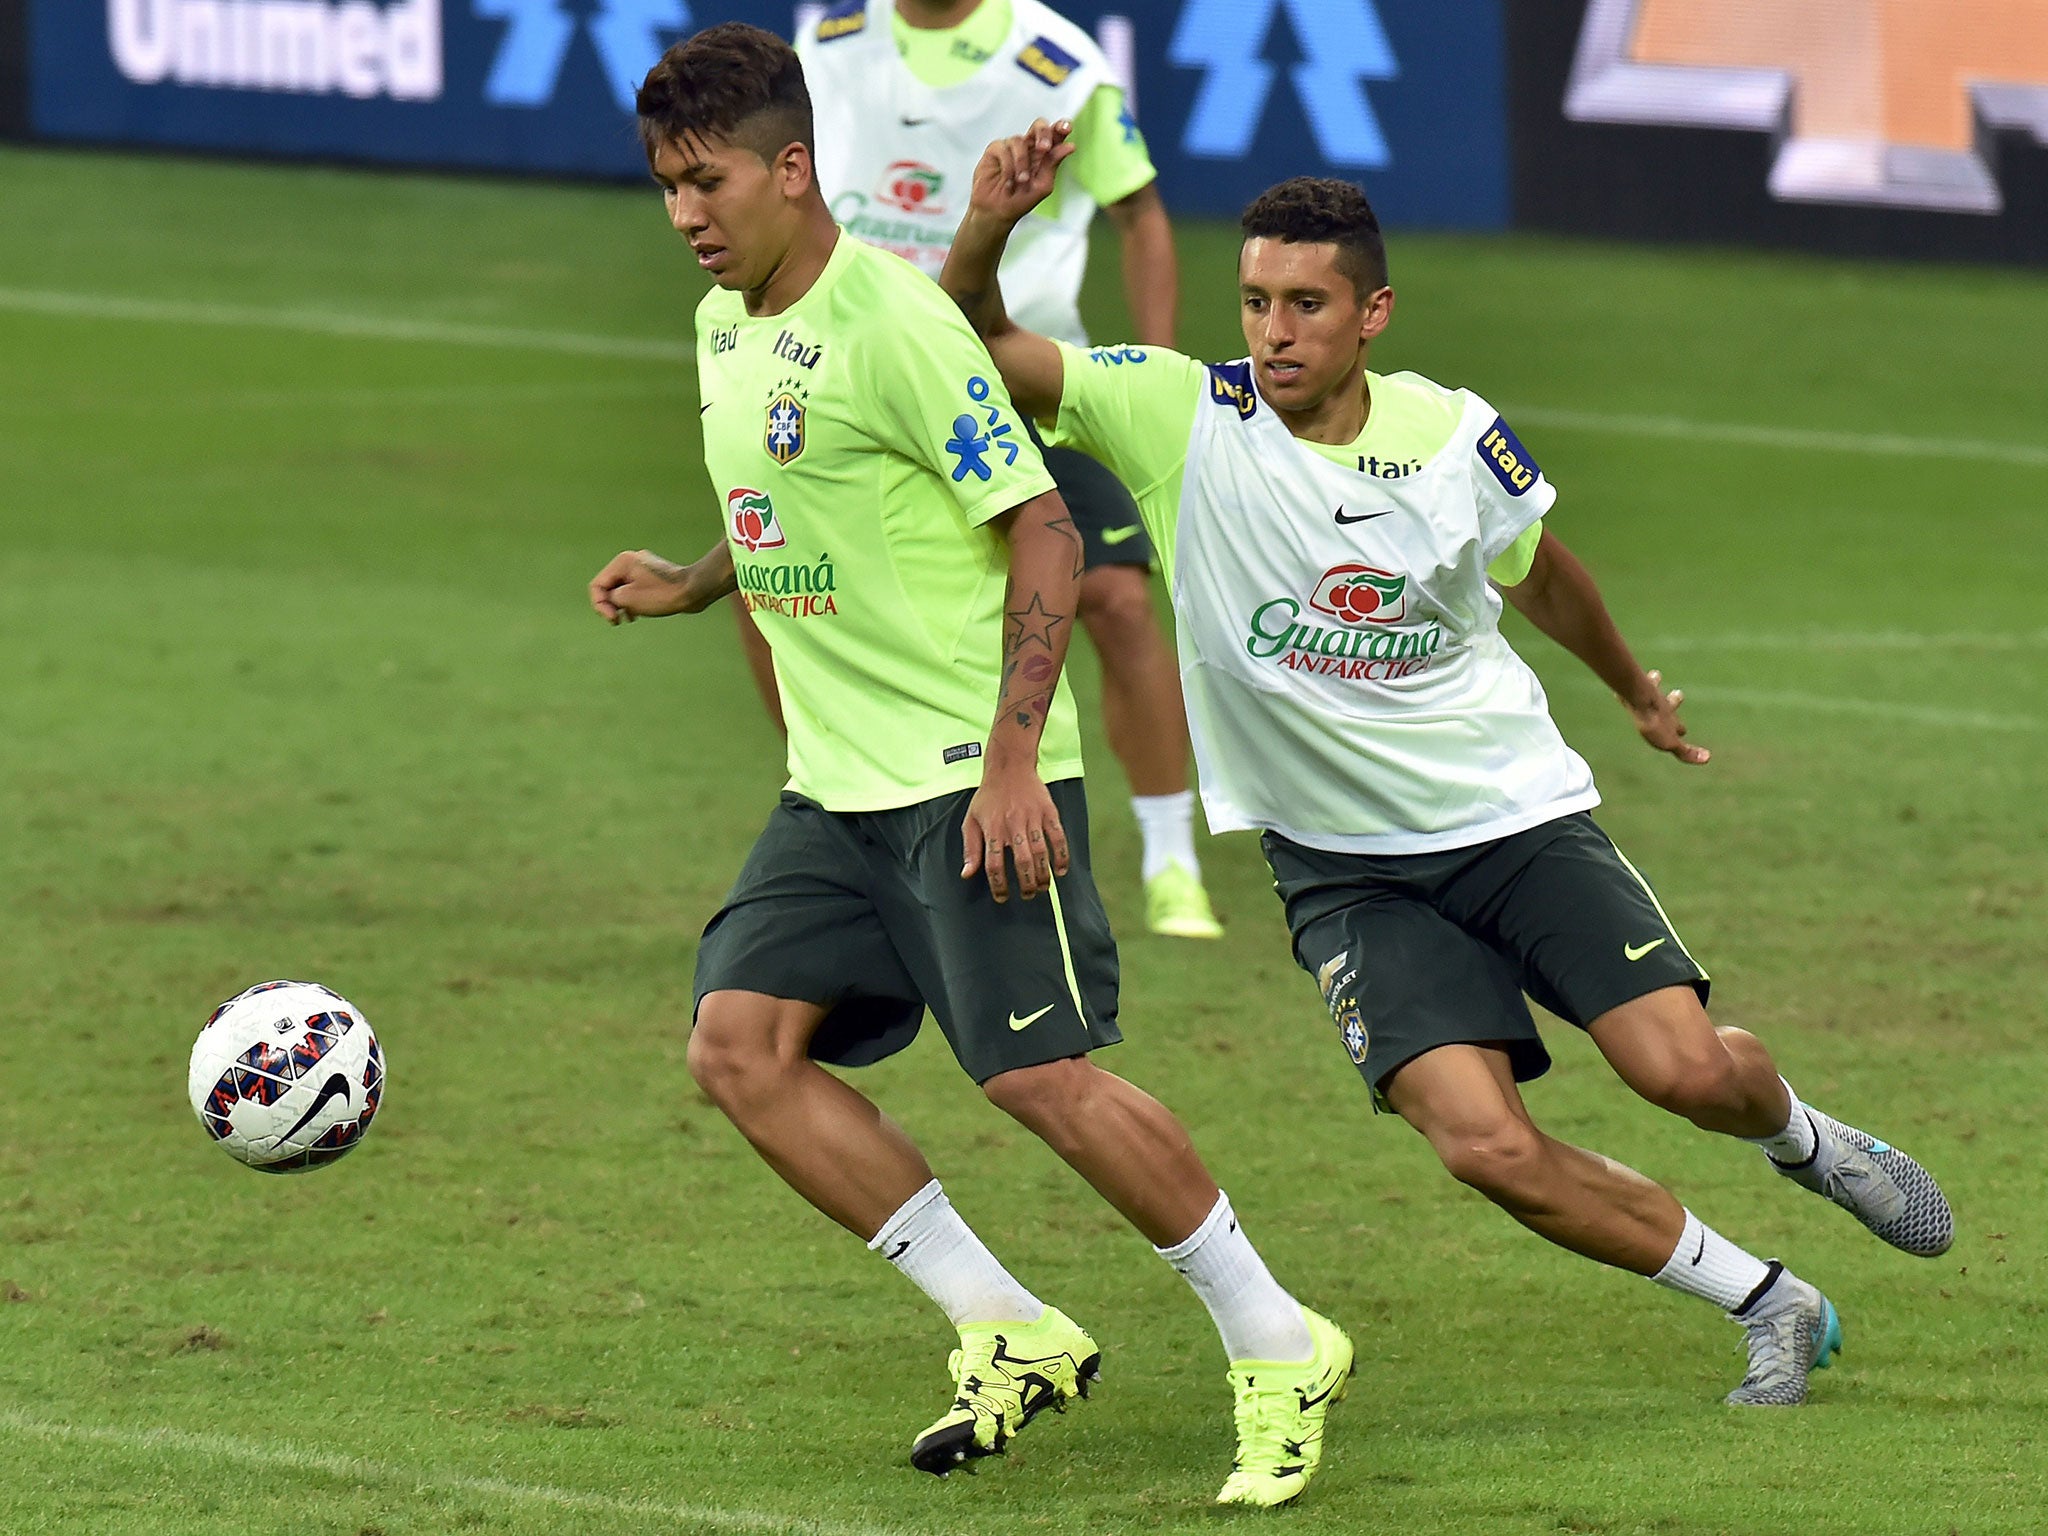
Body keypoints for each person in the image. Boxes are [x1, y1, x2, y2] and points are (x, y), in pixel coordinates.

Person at [940, 121, 1955, 1408]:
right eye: (1253, 301)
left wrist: (1634, 691)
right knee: (1480, 1145)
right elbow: (972, 340)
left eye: (1304, 304)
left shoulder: (1450, 439)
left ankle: (1804, 1139)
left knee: (1685, 1073)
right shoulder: (1175, 414)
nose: (1272, 331)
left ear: (1372, 313)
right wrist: (990, 227)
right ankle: (1769, 1299)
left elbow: (1542, 578)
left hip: (1510, 819)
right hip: (1342, 871)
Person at [588, 26, 1351, 1505]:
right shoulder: (723, 325)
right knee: (740, 1048)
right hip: (837, 790)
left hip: (963, 772)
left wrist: (1013, 759)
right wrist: (692, 582)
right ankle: (1006, 1327)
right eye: (666, 188)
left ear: (792, 169)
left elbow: (1048, 528)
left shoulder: (896, 325)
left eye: (706, 182)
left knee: (1039, 1077)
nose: (684, 214)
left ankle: (1278, 1338)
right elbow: (786, 507)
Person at [712, 0, 1222, 941]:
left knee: (1113, 597)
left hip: (1020, 378)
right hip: (864, 380)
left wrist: (1148, 382)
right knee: (769, 578)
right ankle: (847, 807)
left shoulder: (1055, 58)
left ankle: (1171, 856)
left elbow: (1141, 217)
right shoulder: (826, 45)